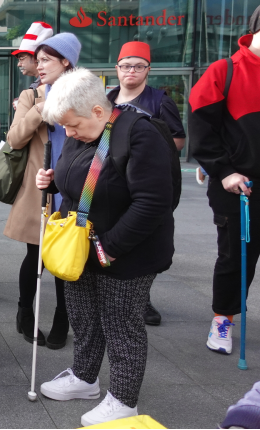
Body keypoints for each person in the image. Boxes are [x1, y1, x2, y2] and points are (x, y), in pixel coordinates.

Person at [36, 68, 175, 427]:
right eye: (65, 127)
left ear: (98, 111)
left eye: (73, 125)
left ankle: (124, 400)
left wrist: (109, 248)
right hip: (84, 245)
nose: (69, 133)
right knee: (83, 315)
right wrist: (52, 183)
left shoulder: (140, 134)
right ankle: (84, 378)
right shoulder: (86, 128)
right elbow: (81, 177)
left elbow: (153, 203)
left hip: (126, 251)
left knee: (121, 324)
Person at [4, 32, 81, 350]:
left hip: (74, 190)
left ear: (66, 62)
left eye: (46, 59)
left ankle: (63, 318)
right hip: (39, 189)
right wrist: (40, 109)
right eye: (37, 59)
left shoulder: (84, 95)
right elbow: (14, 139)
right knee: (34, 256)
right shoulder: (29, 96)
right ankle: (25, 312)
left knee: (67, 258)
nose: (38, 65)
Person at [190, 8, 260, 356]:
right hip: (239, 184)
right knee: (236, 256)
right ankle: (223, 318)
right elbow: (201, 129)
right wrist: (223, 169)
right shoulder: (225, 70)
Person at [106, 41, 186, 327]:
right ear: (116, 68)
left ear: (148, 70)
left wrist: (145, 149)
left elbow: (178, 139)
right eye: (126, 65)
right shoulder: (107, 98)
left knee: (143, 233)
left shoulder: (159, 100)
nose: (131, 71)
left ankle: (142, 297)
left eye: (138, 66)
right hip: (113, 178)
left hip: (147, 177)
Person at [13, 21, 54, 90]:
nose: (19, 64)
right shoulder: (43, 83)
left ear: (36, 58)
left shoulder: (50, 84)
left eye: (21, 59)